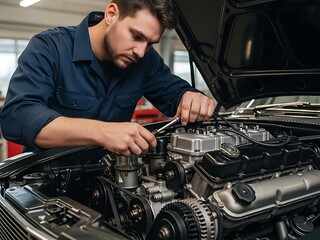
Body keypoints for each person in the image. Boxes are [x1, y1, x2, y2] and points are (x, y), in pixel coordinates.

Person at [0, 0, 215, 156]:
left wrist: (192, 97)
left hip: (111, 184)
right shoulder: (50, 48)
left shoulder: (145, 61)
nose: (141, 51)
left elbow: (176, 94)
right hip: (46, 187)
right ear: (111, 14)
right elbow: (17, 118)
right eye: (136, 36)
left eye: (149, 43)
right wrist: (102, 132)